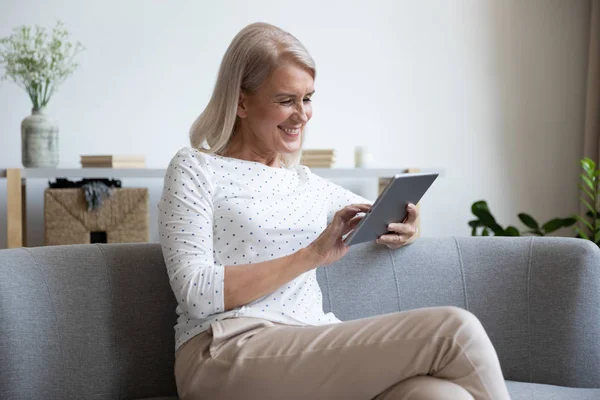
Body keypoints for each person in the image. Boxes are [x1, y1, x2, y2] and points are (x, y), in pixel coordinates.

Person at [158, 22, 511, 400]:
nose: (302, 114)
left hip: (309, 343)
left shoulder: (307, 184)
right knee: (455, 330)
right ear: (241, 101)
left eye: (307, 98)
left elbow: (382, 216)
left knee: (440, 396)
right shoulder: (196, 168)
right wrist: (310, 255)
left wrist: (410, 224)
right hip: (225, 350)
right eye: (285, 100)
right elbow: (195, 291)